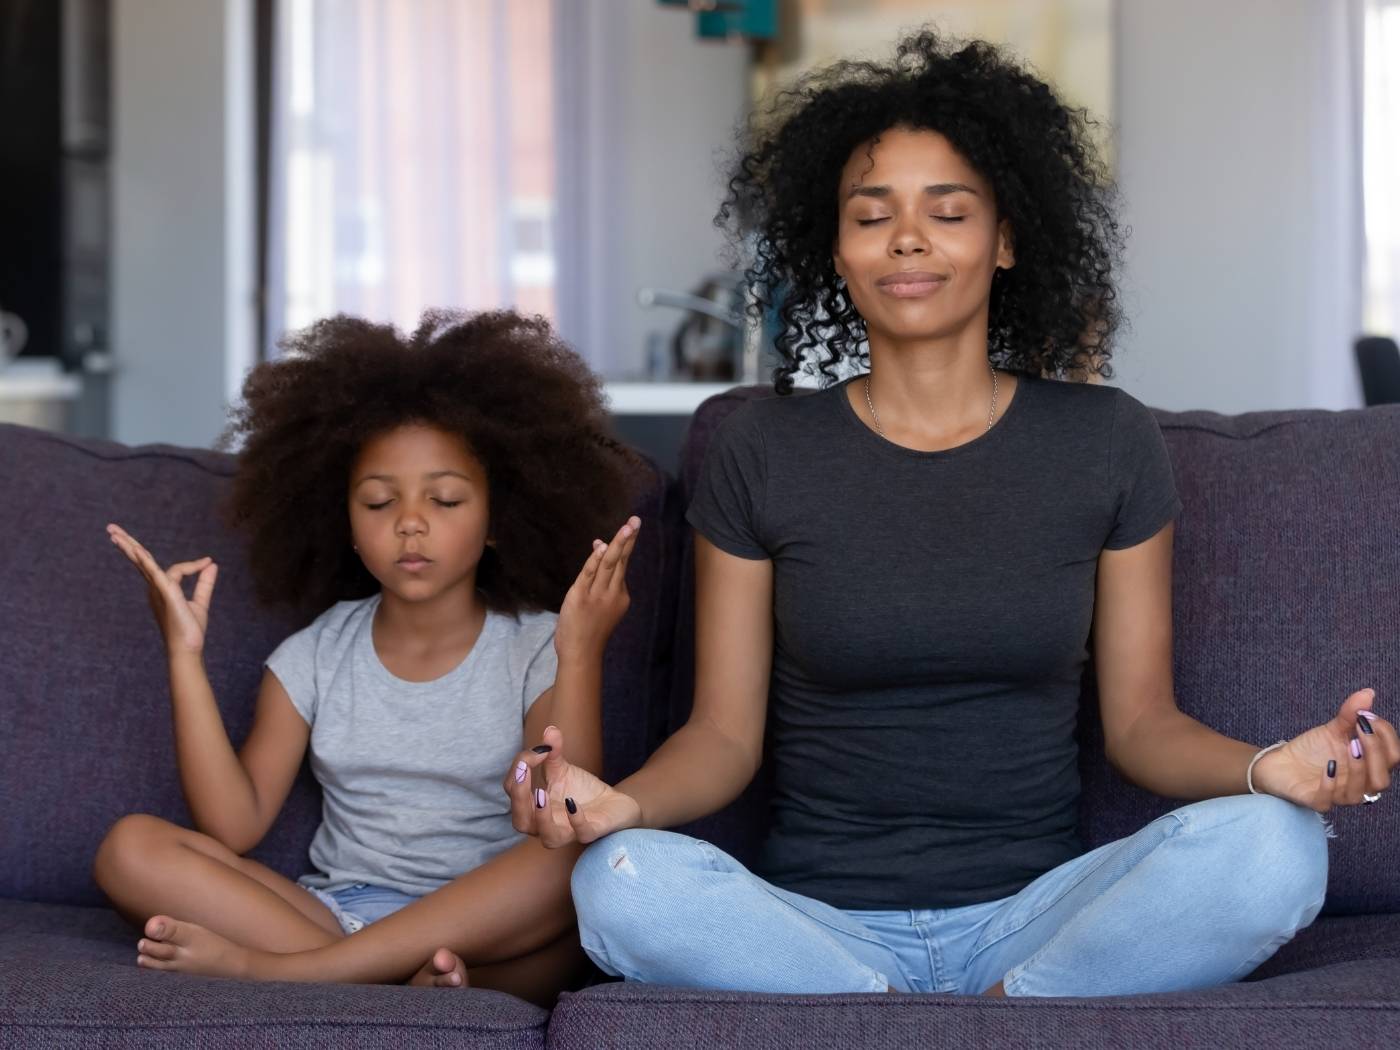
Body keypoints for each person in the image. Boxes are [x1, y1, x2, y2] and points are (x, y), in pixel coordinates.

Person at [505, 31, 1399, 998]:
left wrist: (1276, 769)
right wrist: (620, 807)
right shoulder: (764, 451)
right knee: (619, 880)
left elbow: (1142, 725)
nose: (907, 238)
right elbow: (722, 737)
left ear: (1006, 238)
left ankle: (998, 1005)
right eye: (871, 213)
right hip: (815, 926)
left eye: (950, 211)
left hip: (1042, 914)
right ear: (834, 247)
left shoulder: (1104, 440)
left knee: (1278, 846)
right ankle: (907, 1012)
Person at [93, 310, 640, 1005]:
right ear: (343, 523)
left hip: (488, 926)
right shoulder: (316, 654)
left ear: (498, 519)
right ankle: (405, 982)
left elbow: (558, 810)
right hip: (336, 914)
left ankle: (293, 973)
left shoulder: (536, 645)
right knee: (128, 848)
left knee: (570, 866)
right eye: (379, 502)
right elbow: (234, 824)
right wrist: (182, 655)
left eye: (444, 499)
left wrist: (581, 651)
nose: (411, 522)